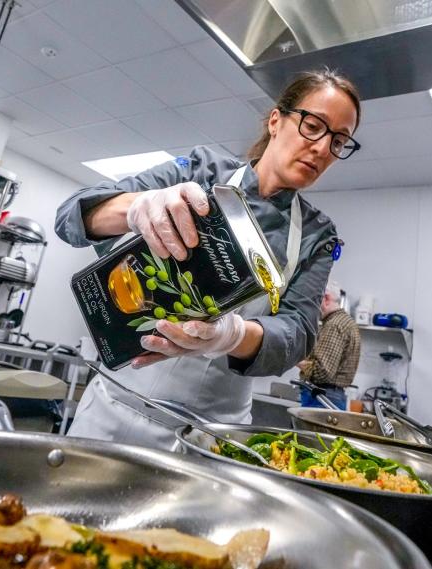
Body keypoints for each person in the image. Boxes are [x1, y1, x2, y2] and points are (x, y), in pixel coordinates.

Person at [54, 69, 362, 450]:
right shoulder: (200, 170)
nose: (322, 148)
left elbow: (297, 335)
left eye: (339, 141)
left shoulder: (317, 234)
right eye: (314, 125)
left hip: (210, 437)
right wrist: (136, 208)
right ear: (276, 120)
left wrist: (229, 336)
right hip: (111, 413)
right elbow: (70, 217)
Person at [295, 278, 360, 409]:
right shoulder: (345, 322)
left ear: (325, 298)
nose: (312, 306)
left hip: (322, 397)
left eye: (314, 300)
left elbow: (321, 372)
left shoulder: (334, 325)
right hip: (331, 396)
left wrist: (294, 358)